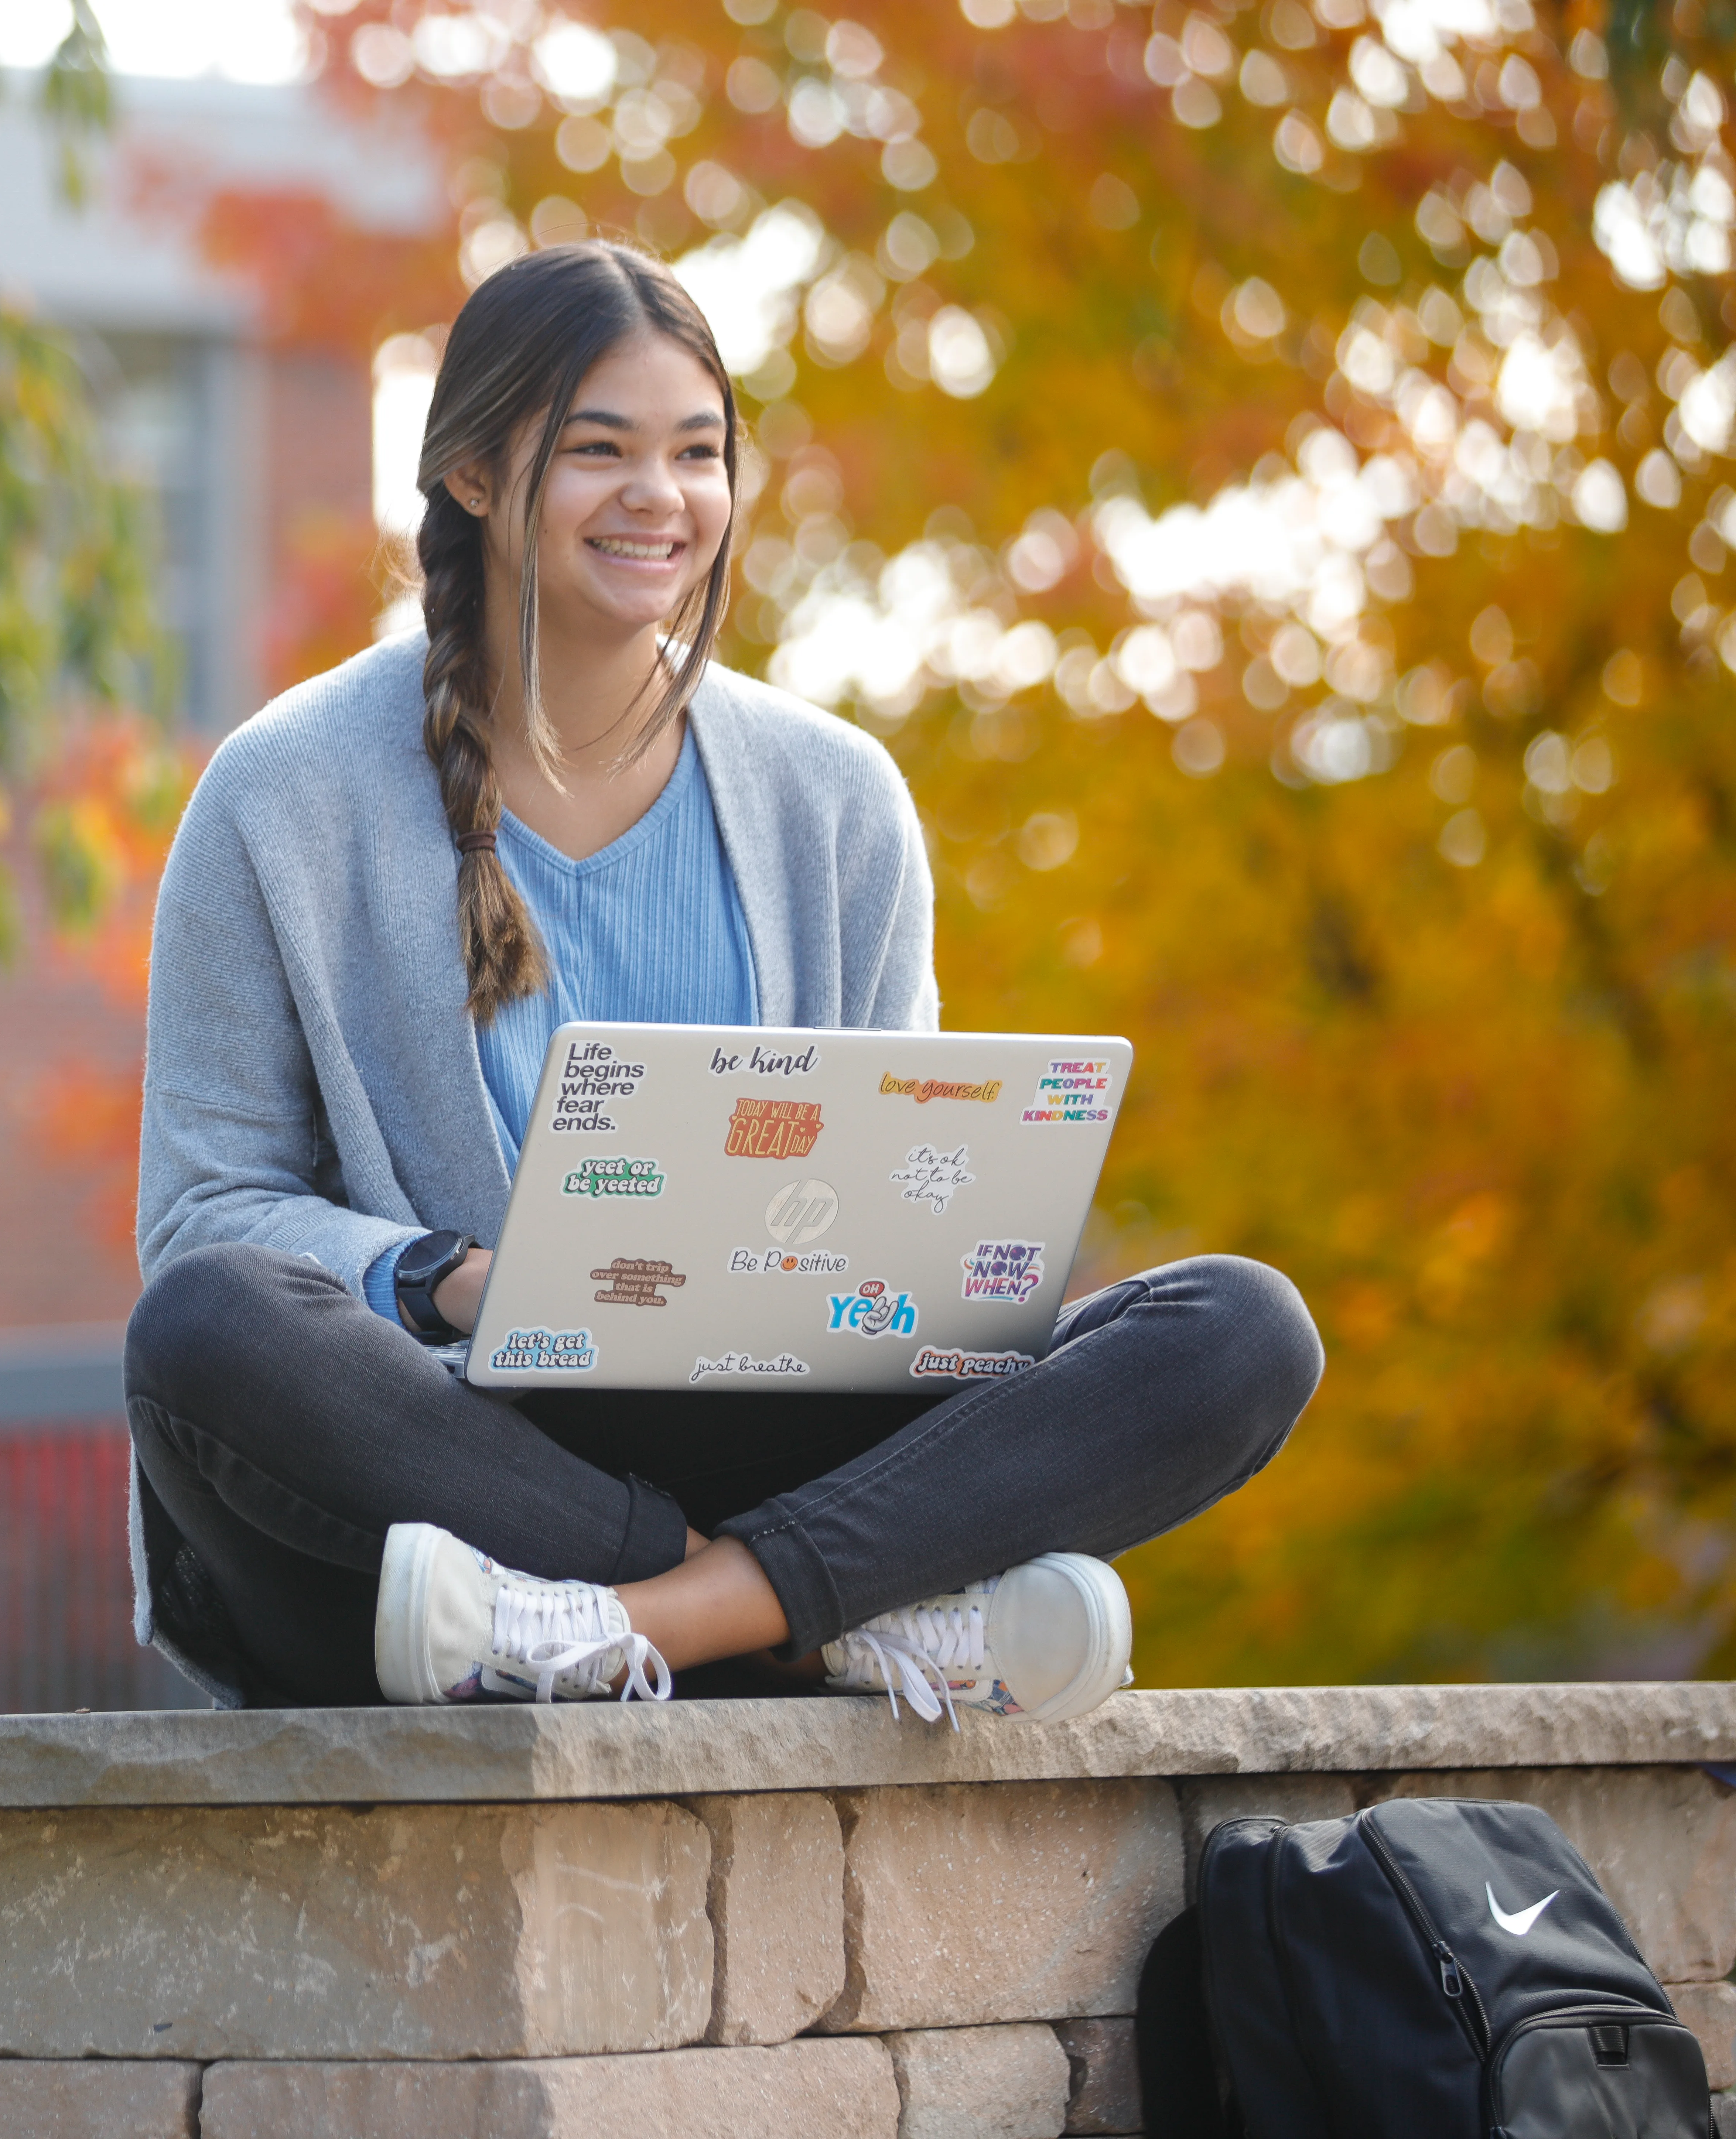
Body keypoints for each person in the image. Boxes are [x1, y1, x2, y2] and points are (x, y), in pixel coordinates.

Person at [123, 240, 1322, 1717]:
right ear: (474, 475)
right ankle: (816, 1626)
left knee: (1242, 1329)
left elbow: (901, 1218)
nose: (660, 496)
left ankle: (637, 1626)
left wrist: (925, 1282)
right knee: (207, 1329)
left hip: (760, 1435)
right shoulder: (283, 794)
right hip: (456, 1478)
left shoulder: (835, 798)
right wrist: (469, 1277)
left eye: (698, 454)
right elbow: (206, 1213)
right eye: (599, 450)